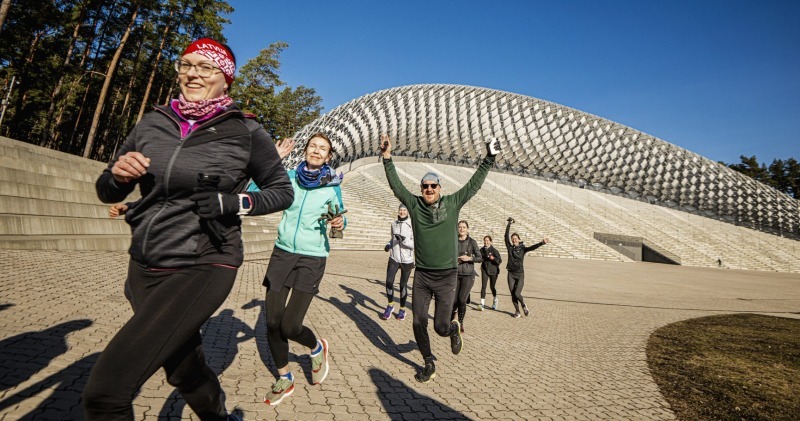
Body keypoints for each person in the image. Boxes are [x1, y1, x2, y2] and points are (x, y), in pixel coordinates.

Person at [84, 38, 294, 421]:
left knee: (105, 394)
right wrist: (116, 176)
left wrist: (233, 203)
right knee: (182, 367)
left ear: (225, 79)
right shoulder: (153, 121)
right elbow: (105, 188)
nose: (193, 73)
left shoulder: (245, 131)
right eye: (186, 65)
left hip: (204, 262)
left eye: (205, 67)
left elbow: (282, 192)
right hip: (145, 265)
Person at [380, 133, 502, 383]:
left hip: (447, 276)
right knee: (417, 321)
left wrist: (489, 158)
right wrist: (387, 158)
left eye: (433, 186)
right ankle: (428, 362)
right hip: (423, 275)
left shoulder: (453, 202)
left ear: (439, 188)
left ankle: (453, 329)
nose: (428, 189)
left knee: (440, 327)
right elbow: (396, 186)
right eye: (425, 186)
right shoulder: (414, 206)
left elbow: (474, 184)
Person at [253, 133, 346, 406]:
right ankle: (285, 378)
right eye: (312, 146)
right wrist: (273, 161)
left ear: (329, 157)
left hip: (312, 257)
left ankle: (316, 348)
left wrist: (340, 224)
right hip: (282, 254)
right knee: (271, 322)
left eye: (323, 149)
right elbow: (253, 189)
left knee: (290, 326)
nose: (316, 151)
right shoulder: (289, 177)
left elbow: (339, 222)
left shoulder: (332, 185)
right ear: (305, 150)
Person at [504, 217, 549, 318]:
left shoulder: (523, 248)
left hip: (520, 274)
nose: (514, 240)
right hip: (510, 273)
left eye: (516, 238)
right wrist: (509, 225)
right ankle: (517, 311)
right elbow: (505, 236)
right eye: (513, 239)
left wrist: (541, 243)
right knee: (512, 294)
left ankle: (523, 305)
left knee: (517, 293)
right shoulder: (510, 247)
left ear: (519, 240)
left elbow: (532, 248)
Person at [381, 203, 414, 321]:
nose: (402, 212)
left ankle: (402, 309)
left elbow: (415, 244)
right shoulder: (393, 224)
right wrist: (389, 244)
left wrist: (404, 241)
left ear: (407, 212)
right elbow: (392, 238)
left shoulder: (412, 225)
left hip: (407, 260)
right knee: (389, 282)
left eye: (404, 210)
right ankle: (390, 305)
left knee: (402, 285)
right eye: (401, 210)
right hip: (394, 257)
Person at [453, 220, 481, 332]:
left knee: (462, 300)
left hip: (468, 275)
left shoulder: (472, 242)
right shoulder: (453, 240)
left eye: (464, 227)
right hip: (455, 273)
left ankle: (460, 322)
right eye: (460, 227)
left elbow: (480, 257)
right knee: (453, 300)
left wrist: (469, 258)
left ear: (467, 229)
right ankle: (452, 317)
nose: (462, 229)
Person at [478, 235, 502, 310]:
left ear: (490, 241)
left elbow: (499, 261)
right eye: (485, 240)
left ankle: (495, 299)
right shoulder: (481, 250)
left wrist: (493, 258)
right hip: (485, 269)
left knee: (492, 287)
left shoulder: (494, 250)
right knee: (483, 286)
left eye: (487, 240)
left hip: (493, 270)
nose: (486, 242)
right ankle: (482, 303)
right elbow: (479, 258)